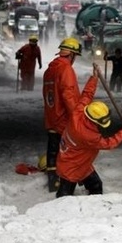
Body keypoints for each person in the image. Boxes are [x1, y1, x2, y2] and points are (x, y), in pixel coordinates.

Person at [56, 65, 122, 198]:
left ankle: (94, 211)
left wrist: (94, 78)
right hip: (71, 168)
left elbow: (86, 95)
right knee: (64, 197)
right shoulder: (88, 136)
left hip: (81, 163)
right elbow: (109, 143)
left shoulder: (78, 112)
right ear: (94, 121)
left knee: (96, 185)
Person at [42, 37, 83, 192]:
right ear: (71, 54)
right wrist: (76, 116)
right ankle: (67, 184)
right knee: (69, 153)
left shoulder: (49, 70)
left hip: (51, 118)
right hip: (63, 121)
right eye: (75, 56)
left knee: (52, 152)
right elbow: (68, 95)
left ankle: (53, 183)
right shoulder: (66, 69)